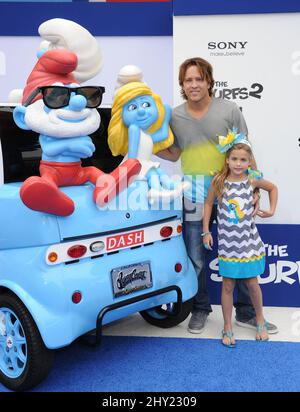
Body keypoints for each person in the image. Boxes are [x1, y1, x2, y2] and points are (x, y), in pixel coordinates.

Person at [157, 57, 278, 334]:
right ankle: (200, 309)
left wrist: (255, 186)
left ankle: (246, 313)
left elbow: (244, 149)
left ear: (209, 81)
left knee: (243, 252)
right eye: (189, 80)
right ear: (182, 85)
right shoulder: (175, 116)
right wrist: (145, 146)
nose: (194, 84)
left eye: (199, 78)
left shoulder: (229, 109)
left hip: (232, 193)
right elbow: (174, 152)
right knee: (195, 256)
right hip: (193, 193)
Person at [202, 134, 278, 346]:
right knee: (227, 285)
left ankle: (260, 320)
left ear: (249, 161)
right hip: (227, 245)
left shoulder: (252, 179)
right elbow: (208, 204)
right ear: (227, 159)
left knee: (253, 284)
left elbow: (272, 188)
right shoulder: (219, 181)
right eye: (234, 159)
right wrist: (205, 230)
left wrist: (271, 210)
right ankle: (227, 326)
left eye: (243, 160)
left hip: (249, 243)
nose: (238, 163)